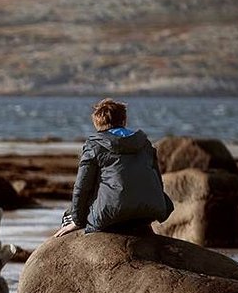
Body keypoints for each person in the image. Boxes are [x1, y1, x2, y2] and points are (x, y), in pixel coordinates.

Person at [54, 98, 173, 238]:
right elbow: (158, 182)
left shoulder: (94, 145)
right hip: (149, 214)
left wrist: (77, 221)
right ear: (124, 121)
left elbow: (82, 187)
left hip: (112, 217)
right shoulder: (144, 143)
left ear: (97, 123)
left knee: (68, 216)